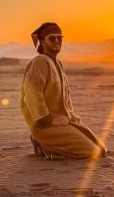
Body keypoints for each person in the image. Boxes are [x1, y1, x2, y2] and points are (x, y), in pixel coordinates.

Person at [20, 22, 107, 159]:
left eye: (59, 38)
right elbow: (32, 92)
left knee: (102, 149)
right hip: (46, 125)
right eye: (52, 38)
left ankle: (45, 144)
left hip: (62, 121)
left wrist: (71, 119)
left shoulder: (58, 63)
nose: (57, 41)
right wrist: (46, 119)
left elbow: (65, 99)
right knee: (92, 153)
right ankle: (46, 146)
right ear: (42, 42)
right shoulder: (40, 61)